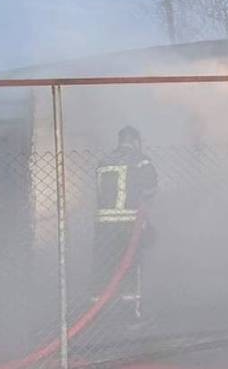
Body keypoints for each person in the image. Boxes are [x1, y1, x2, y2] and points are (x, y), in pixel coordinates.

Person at [92, 126, 158, 323]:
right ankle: (130, 317)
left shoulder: (104, 162)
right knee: (130, 267)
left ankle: (98, 316)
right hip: (128, 224)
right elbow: (151, 189)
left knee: (103, 268)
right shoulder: (141, 160)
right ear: (136, 141)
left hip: (103, 224)